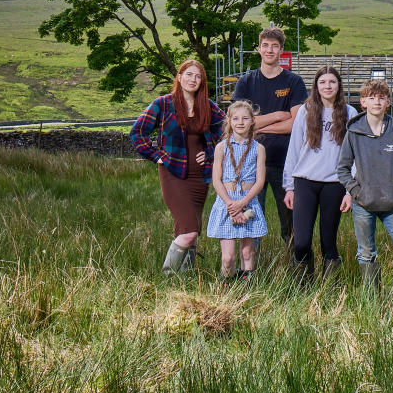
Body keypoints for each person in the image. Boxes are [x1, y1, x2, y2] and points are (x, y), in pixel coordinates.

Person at [131, 59, 225, 274]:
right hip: (173, 173)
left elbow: (229, 131)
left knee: (190, 230)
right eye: (189, 75)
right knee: (189, 230)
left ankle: (186, 279)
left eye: (198, 76)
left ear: (202, 81)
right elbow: (137, 132)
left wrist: (211, 154)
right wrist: (156, 156)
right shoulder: (163, 104)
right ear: (180, 77)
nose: (193, 79)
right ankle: (168, 276)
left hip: (200, 177)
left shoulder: (207, 106)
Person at [336, 78, 393, 300]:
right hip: (363, 204)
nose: (377, 102)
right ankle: (372, 301)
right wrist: (357, 192)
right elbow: (342, 169)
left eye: (381, 98)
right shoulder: (354, 132)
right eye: (371, 98)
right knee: (366, 253)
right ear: (363, 102)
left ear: (388, 102)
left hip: (391, 204)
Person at [231, 27, 307, 250]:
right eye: (265, 45)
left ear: (282, 50)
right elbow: (237, 122)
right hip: (250, 165)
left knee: (291, 224)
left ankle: (298, 276)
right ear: (258, 49)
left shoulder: (294, 82)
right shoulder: (245, 82)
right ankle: (250, 275)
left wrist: (255, 127)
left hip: (287, 164)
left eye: (275, 46)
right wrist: (275, 116)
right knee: (251, 222)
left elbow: (296, 123)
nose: (270, 50)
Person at [283, 66, 355, 284]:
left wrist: (350, 189)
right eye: (322, 82)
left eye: (332, 82)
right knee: (301, 241)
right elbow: (294, 148)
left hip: (334, 183)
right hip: (304, 181)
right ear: (316, 86)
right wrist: (289, 186)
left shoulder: (349, 113)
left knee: (328, 241)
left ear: (339, 86)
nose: (327, 86)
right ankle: (304, 286)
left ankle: (329, 290)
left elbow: (355, 154)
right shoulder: (306, 111)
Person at [206, 100, 268, 283]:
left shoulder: (259, 148)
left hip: (248, 201)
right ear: (229, 121)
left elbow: (260, 181)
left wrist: (243, 203)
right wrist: (231, 205)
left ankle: (246, 291)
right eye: (236, 118)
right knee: (228, 257)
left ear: (252, 121)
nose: (240, 122)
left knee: (247, 252)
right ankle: (227, 290)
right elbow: (216, 180)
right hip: (227, 202)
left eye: (245, 118)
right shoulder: (221, 147)